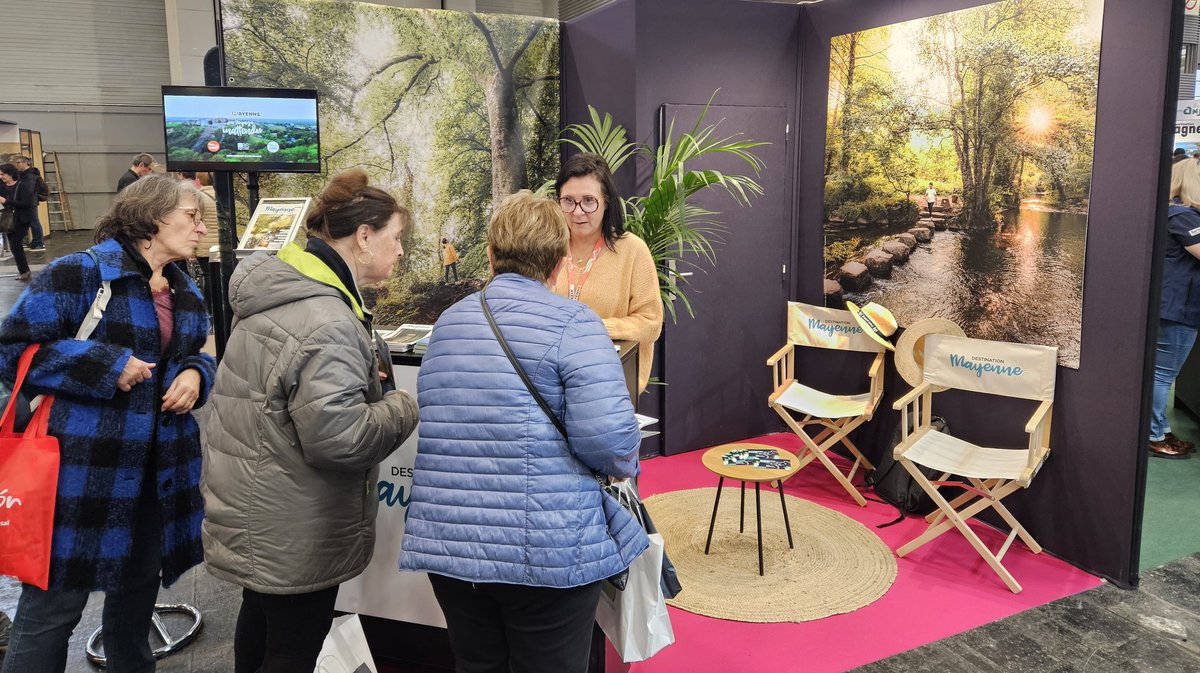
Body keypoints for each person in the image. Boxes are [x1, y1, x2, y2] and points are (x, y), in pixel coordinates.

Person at [400, 190, 646, 673]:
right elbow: (611, 443)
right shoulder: (577, 324)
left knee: (477, 663)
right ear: (558, 263)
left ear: (490, 256)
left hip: (454, 547)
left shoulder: (449, 324)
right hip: (550, 548)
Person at [202, 168, 419, 673]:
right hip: (295, 523)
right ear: (364, 237)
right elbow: (339, 439)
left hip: (258, 507)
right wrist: (404, 405)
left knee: (260, 625)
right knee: (292, 649)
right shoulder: (327, 320)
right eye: (396, 238)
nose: (401, 251)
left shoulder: (283, 292)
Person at [0, 174, 215, 673]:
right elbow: (12, 353)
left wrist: (194, 374)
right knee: (54, 608)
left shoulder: (183, 286)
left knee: (137, 593)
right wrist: (105, 365)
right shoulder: (80, 273)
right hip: (81, 474)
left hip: (157, 473)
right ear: (152, 218)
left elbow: (194, 355)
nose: (202, 228)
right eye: (192, 216)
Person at [551, 153, 663, 393]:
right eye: (568, 201)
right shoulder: (546, 248)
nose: (578, 211)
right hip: (552, 387)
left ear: (607, 201)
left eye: (589, 201)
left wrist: (593, 328)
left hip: (610, 387)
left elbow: (650, 323)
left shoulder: (631, 250)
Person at [1149, 159, 1200, 459]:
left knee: (1160, 373)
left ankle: (1160, 429)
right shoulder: (1183, 217)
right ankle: (1155, 435)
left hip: (1172, 307)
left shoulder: (1173, 214)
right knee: (1163, 375)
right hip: (1177, 309)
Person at [0, 163, 34, 281]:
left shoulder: (22, 186)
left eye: (3, 174)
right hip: (8, 219)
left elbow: (27, 203)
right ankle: (24, 271)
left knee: (15, 245)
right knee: (15, 246)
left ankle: (24, 271)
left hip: (21, 219)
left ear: (10, 174)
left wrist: (7, 201)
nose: (1, 177)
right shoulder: (2, 187)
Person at [13, 157, 45, 251]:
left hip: (29, 202)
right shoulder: (22, 175)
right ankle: (35, 242)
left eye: (18, 162)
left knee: (34, 222)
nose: (17, 164)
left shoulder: (30, 175)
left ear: (25, 163)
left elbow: (29, 190)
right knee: (26, 222)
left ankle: (39, 243)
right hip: (24, 202)